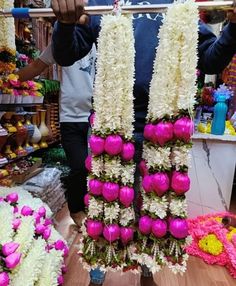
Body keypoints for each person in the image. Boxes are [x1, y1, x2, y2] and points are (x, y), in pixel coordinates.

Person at [51, 0, 236, 285]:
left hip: (163, 126)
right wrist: (64, 23)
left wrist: (233, 27)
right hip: (110, 124)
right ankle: (97, 273)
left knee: (154, 206)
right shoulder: (101, 4)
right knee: (103, 202)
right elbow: (66, 54)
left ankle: (147, 271)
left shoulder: (177, 5)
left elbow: (210, 59)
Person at [17, 42, 96, 227]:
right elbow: (37, 65)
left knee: (101, 167)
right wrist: (9, 79)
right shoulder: (64, 39)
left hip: (100, 115)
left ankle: (97, 209)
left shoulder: (101, 35)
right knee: (78, 166)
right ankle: (76, 210)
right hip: (71, 116)